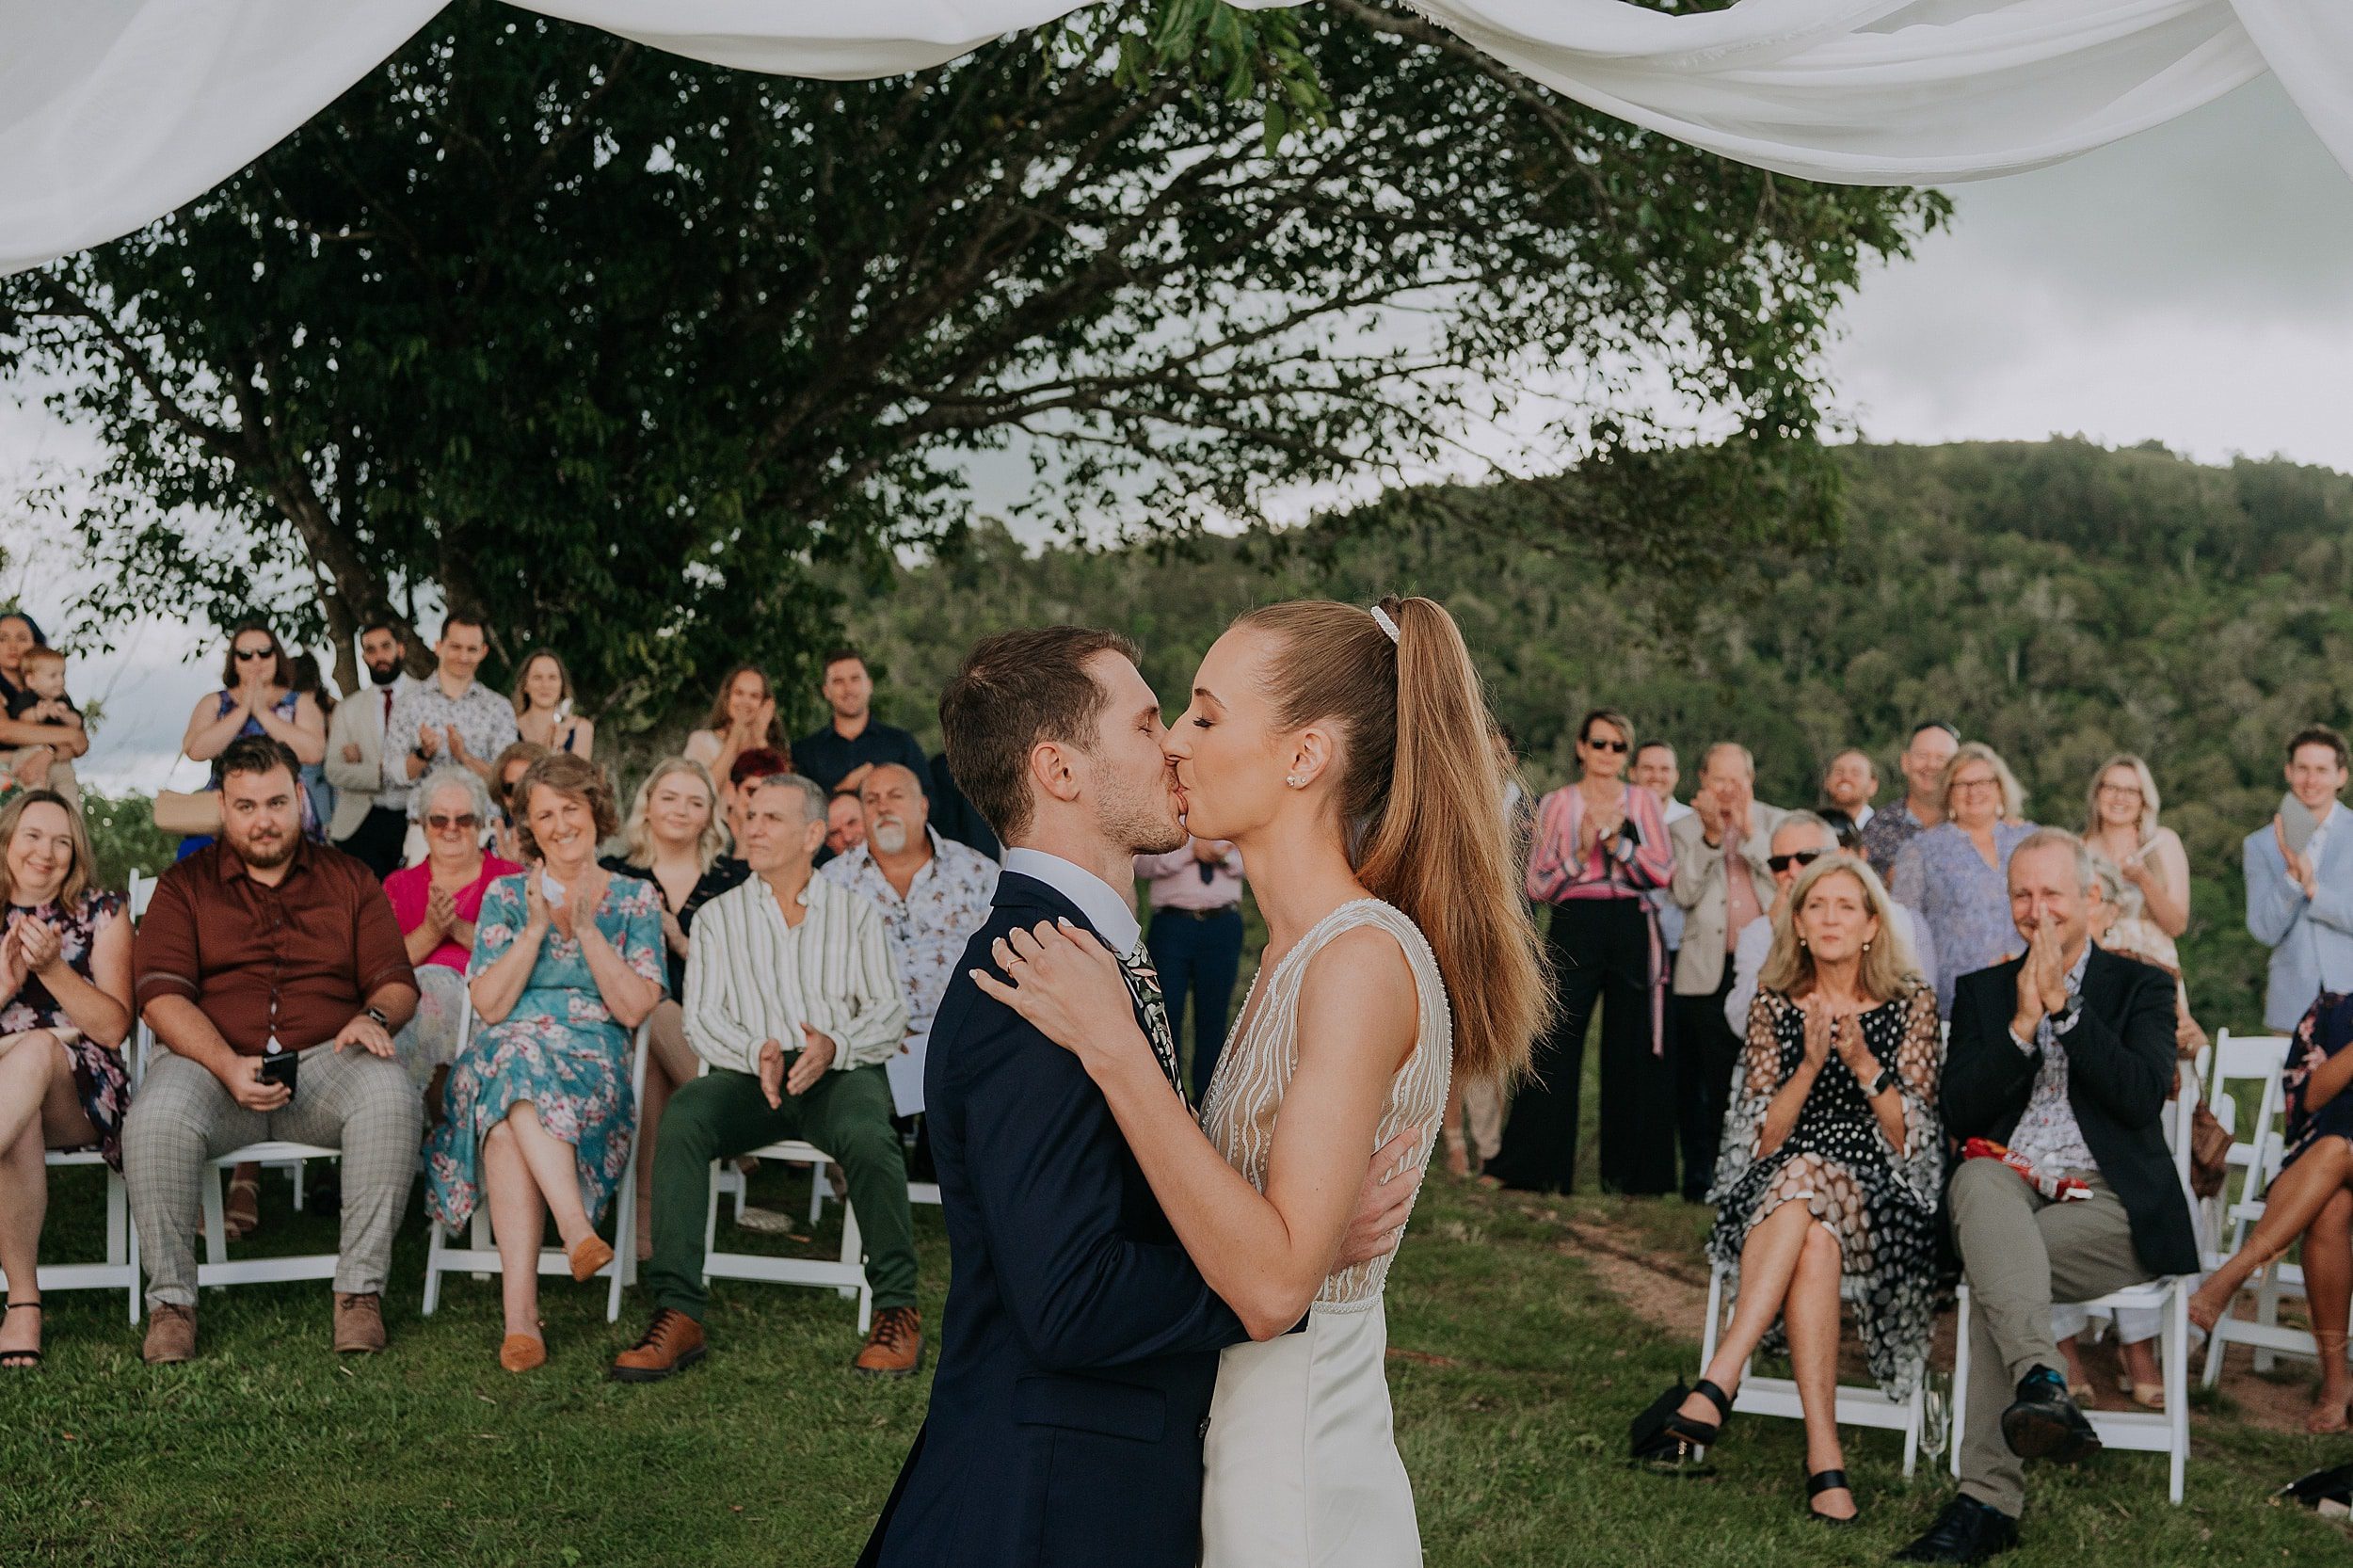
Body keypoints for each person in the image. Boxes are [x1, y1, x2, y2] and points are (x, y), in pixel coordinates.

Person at [859, 619, 1449, 1568]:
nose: (1174, 739)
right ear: (1059, 771)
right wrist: (1297, 1265)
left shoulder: (1113, 968)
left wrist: (1288, 1259)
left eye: (1196, 716)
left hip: (1193, 1471)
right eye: (1149, 722)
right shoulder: (1036, 980)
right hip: (1051, 1501)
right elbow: (1066, 1301)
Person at [1898, 829, 2197, 1565]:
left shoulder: (2143, 985)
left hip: (2113, 1205)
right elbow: (1960, 1115)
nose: (2038, 911)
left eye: (2053, 894)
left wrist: (2066, 1010)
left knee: (2001, 1278)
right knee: (1976, 1182)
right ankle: (2041, 1381)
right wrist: (2024, 1025)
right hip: (2009, 1187)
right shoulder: (1982, 992)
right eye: (2023, 896)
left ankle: (1986, 1504)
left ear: (2090, 899)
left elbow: (2135, 1099)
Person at [1631, 855, 1942, 1526]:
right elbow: (1762, 1139)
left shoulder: (1911, 1001)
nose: (1830, 918)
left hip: (1879, 1190)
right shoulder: (1775, 1001)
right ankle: (1823, 1458)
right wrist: (1807, 1065)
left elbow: (1910, 1137)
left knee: (1809, 1187)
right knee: (1812, 1232)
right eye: (1816, 906)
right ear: (1797, 923)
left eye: (1845, 906)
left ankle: (1719, 1380)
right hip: (1786, 1188)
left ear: (1869, 926)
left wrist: (1860, 1062)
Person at [123, 736, 420, 1364]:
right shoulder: (185, 886)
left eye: (277, 802)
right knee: (154, 1120)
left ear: (302, 800)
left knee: (391, 1094)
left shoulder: (350, 878)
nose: (264, 819)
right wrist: (226, 1064)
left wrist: (372, 1016)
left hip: (325, 1063)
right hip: (211, 1064)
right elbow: (159, 997)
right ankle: (172, 1305)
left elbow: (396, 981)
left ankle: (359, 1294)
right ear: (223, 809)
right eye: (247, 805)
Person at [615, 773, 920, 1382]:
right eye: (750, 816)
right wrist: (760, 1051)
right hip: (749, 1074)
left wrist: (835, 1046)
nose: (752, 827)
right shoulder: (719, 918)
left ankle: (896, 1308)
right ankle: (678, 1311)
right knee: (686, 1117)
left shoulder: (856, 913)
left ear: (812, 834)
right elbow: (702, 1020)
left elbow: (889, 1012)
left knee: (868, 1134)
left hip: (838, 1072)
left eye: (770, 818)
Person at [424, 752, 663, 1372]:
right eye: (544, 814)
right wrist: (534, 930)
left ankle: (522, 1321)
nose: (559, 825)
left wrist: (586, 931)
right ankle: (575, 1228)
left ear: (594, 811)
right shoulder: (506, 895)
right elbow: (489, 1004)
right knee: (515, 1055)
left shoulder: (634, 899)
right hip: (508, 1046)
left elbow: (636, 1009)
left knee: (504, 1131)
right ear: (528, 826)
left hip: (591, 1065)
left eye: (570, 808)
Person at [1484, 709, 1671, 1196]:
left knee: (1629, 1047)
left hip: (1631, 920)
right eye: (1600, 743)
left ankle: (1633, 1180)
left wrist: (1621, 847)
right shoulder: (1557, 804)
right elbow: (1538, 884)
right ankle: (1534, 1170)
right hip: (1576, 921)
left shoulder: (1643, 803)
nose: (1608, 754)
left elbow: (1662, 872)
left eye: (1618, 747)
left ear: (1625, 755)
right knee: (1555, 1042)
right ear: (1582, 748)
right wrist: (1582, 849)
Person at [0, 791, 134, 1369]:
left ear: (75, 852)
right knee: (15, 1110)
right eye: (32, 835)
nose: (45, 853)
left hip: (81, 1090)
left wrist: (52, 969)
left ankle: (24, 1302)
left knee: (33, 1049)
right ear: (7, 841)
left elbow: (113, 1028)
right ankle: (24, 1303)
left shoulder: (101, 913)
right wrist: (7, 986)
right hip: (12, 1105)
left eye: (61, 840)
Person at [598, 758, 746, 1252]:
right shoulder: (613, 875)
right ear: (648, 805)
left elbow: (749, 968)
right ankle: (734, 1119)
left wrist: (682, 943)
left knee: (658, 1031)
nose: (681, 810)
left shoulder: (735, 878)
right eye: (669, 797)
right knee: (653, 1025)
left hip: (718, 1024)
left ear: (709, 814)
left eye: (694, 801)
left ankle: (644, 1238)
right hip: (622, 1027)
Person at [2192, 987, 2353, 1432]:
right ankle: (2338, 1386)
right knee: (2332, 1205)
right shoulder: (2331, 1011)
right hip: (2324, 1170)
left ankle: (2231, 1275)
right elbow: (2312, 1098)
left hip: (2329, 1159)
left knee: (2338, 1150)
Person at [821, 761, 998, 1117]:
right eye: (871, 800)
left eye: (895, 796)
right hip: (867, 1048)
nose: (883, 807)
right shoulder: (831, 882)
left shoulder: (976, 872)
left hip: (966, 1046)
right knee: (856, 1111)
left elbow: (1005, 963)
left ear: (923, 806)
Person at [1669, 743, 1789, 1202]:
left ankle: (1758, 1168)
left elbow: (1784, 881)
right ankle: (1701, 1176)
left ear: (1751, 781)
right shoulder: (1683, 829)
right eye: (1719, 780)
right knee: (1705, 1082)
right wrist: (1712, 838)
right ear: (1702, 781)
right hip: (1705, 968)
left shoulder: (1776, 823)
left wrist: (1748, 832)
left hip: (1765, 964)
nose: (1728, 790)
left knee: (1760, 1071)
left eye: (1736, 780)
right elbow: (1683, 892)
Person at [1723, 812, 1937, 1034]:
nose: (1794, 872)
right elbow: (1741, 1025)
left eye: (1806, 858)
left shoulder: (1901, 920)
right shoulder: (1758, 933)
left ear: (1838, 855)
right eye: (1780, 863)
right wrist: (1780, 934)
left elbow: (1921, 1014)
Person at [381, 767, 519, 1103]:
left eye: (464, 819)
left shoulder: (511, 880)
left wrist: (457, 928)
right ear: (424, 827)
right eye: (440, 820)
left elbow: (520, 958)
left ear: (482, 825)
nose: (451, 829)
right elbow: (384, 968)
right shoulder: (398, 886)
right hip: (415, 1028)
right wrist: (431, 932)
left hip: (494, 1018)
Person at [1891, 743, 2038, 1017]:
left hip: (2027, 987)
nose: (1974, 791)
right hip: (1953, 998)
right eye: (1962, 784)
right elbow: (1902, 929)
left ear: (2000, 787)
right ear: (1948, 792)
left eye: (1983, 781)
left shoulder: (2030, 841)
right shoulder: (1922, 849)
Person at [2246, 726, 2353, 1033]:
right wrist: (2292, 878)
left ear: (2341, 776)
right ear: (2288, 772)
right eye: (2303, 769)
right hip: (2291, 1007)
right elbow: (2263, 930)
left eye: (2322, 770)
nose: (2311, 780)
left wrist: (2313, 890)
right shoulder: (2259, 844)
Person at [179, 623, 329, 841]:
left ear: (277, 656)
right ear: (234, 661)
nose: (256, 660)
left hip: (285, 811)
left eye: (265, 652)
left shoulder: (300, 703)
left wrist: (262, 713)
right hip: (224, 814)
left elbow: (314, 752)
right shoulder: (214, 702)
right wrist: (242, 711)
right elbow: (195, 750)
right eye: (245, 655)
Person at [1133, 836, 1245, 1099]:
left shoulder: (1234, 810)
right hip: (1173, 925)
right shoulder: (1166, 812)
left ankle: (1207, 1103)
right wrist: (1189, 852)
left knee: (1214, 1018)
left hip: (1222, 924)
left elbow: (1255, 862)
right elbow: (1140, 867)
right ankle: (1166, 1100)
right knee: (1164, 1018)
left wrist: (1222, 856)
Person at [383, 615, 520, 805]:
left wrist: (464, 757)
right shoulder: (408, 703)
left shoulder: (499, 707)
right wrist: (424, 754)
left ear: (484, 651)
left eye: (472, 649)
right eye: (455, 647)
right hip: (426, 824)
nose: (463, 657)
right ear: (439, 647)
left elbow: (507, 779)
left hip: (482, 824)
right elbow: (393, 776)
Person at [324, 621, 421, 878]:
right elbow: (333, 771)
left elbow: (436, 762)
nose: (379, 656)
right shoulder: (348, 708)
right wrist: (379, 772)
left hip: (416, 815)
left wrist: (361, 767)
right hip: (363, 818)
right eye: (371, 650)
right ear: (364, 656)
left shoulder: (426, 697)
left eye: (385, 647)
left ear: (400, 649)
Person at [792, 648, 931, 798]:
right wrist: (843, 789)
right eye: (838, 681)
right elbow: (800, 814)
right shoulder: (805, 753)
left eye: (855, 679)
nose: (848, 689)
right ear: (826, 691)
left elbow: (928, 801)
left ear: (869, 685)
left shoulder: (901, 744)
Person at [0, 612, 88, 799]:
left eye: (22, 638)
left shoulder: (53, 690)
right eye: (3, 639)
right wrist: (70, 735)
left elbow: (80, 745)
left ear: (36, 644)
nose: (12, 646)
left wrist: (48, 753)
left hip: (50, 774)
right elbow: (4, 730)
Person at [1861, 721, 1961, 879]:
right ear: (1905, 762)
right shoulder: (1880, 825)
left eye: (1942, 758)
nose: (1931, 765)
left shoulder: (1971, 823)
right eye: (1923, 756)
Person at [683, 664, 784, 814]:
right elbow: (702, 793)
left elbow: (779, 800)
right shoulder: (701, 741)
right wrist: (735, 737)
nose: (745, 701)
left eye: (754, 696)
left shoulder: (773, 748)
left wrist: (760, 740)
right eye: (739, 693)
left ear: (765, 704)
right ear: (727, 697)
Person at [511, 648, 594, 759]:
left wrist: (558, 750)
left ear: (562, 685)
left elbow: (579, 775)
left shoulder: (581, 728)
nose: (545, 685)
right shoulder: (509, 726)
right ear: (525, 685)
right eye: (537, 677)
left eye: (552, 678)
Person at [487, 740, 550, 865]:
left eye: (527, 787)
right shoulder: (491, 847)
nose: (520, 797)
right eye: (511, 789)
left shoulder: (567, 838)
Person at [1818, 747, 1880, 848]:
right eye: (1839, 772)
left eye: (1855, 773)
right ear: (1826, 781)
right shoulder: (1813, 829)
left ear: (1872, 785)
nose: (1846, 778)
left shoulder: (1884, 831)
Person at [824, 791, 866, 859]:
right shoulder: (828, 869)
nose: (848, 838)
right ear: (828, 843)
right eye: (835, 833)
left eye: (852, 823)